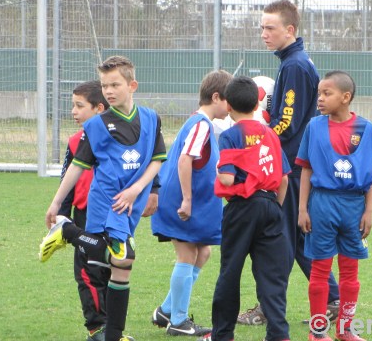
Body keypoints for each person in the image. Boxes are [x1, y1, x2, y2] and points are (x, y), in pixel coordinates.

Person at [40, 55, 167, 341]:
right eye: (104, 85)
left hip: (130, 202)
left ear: (132, 85)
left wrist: (141, 189)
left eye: (114, 84)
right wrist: (56, 202)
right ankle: (68, 229)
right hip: (106, 202)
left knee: (116, 263)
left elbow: (157, 160)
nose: (108, 91)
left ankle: (112, 335)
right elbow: (77, 166)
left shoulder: (150, 117)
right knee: (122, 257)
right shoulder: (96, 126)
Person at [238, 0, 340, 327]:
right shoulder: (292, 62)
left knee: (276, 238)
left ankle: (269, 307)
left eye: (270, 28)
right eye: (262, 28)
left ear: (290, 30)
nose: (263, 34)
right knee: (295, 239)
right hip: (295, 165)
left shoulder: (295, 65)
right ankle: (333, 298)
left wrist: (258, 137)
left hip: (289, 168)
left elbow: (288, 123)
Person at [201, 76, 292, 341]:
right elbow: (284, 179)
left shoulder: (230, 136)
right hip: (271, 205)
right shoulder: (271, 135)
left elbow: (228, 178)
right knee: (271, 276)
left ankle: (222, 334)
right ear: (257, 104)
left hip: (241, 208)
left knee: (230, 272)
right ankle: (278, 334)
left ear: (228, 105)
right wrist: (274, 206)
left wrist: (218, 173)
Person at [296, 71, 372, 341]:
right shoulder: (314, 127)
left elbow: (370, 174)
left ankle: (345, 329)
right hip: (322, 203)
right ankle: (318, 331)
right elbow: (306, 169)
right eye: (319, 93)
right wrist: (302, 208)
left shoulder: (366, 130)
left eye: (326, 93)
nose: (320, 99)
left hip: (354, 205)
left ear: (346, 97)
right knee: (320, 269)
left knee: (350, 272)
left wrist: (369, 210)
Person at [150, 70, 232, 337]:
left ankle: (166, 311)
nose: (230, 107)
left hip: (186, 202)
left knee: (203, 253)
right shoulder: (201, 125)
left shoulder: (202, 124)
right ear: (216, 97)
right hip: (179, 202)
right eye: (228, 100)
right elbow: (186, 159)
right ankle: (179, 321)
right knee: (186, 255)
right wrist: (187, 199)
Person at [55, 80, 111, 341]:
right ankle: (96, 328)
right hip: (83, 215)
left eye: (79, 106)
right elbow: (67, 179)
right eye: (72, 106)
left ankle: (112, 327)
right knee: (87, 272)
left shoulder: (117, 139)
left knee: (110, 269)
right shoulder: (76, 141)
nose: (74, 112)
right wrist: (62, 219)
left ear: (99, 108)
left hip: (112, 214)